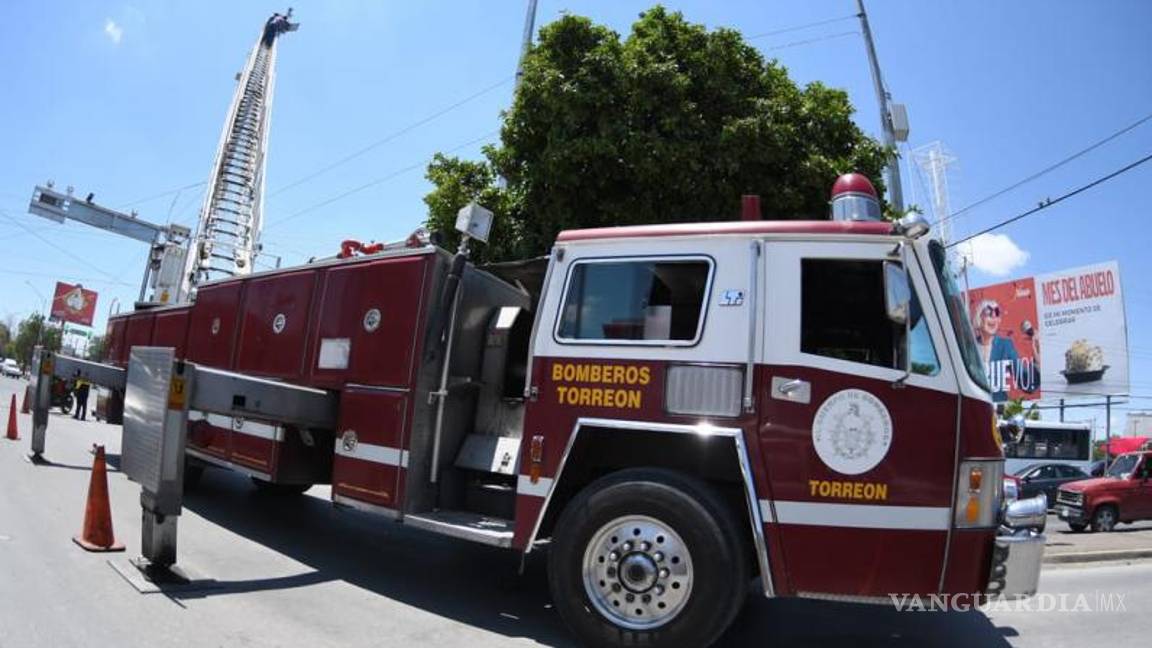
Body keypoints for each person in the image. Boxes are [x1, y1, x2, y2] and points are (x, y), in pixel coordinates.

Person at [971, 299, 1040, 402]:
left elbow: (1026, 383)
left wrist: (1037, 358)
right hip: (974, 409)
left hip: (998, 411)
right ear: (979, 318)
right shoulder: (969, 348)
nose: (994, 317)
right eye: (989, 312)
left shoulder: (1005, 345)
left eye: (997, 313)